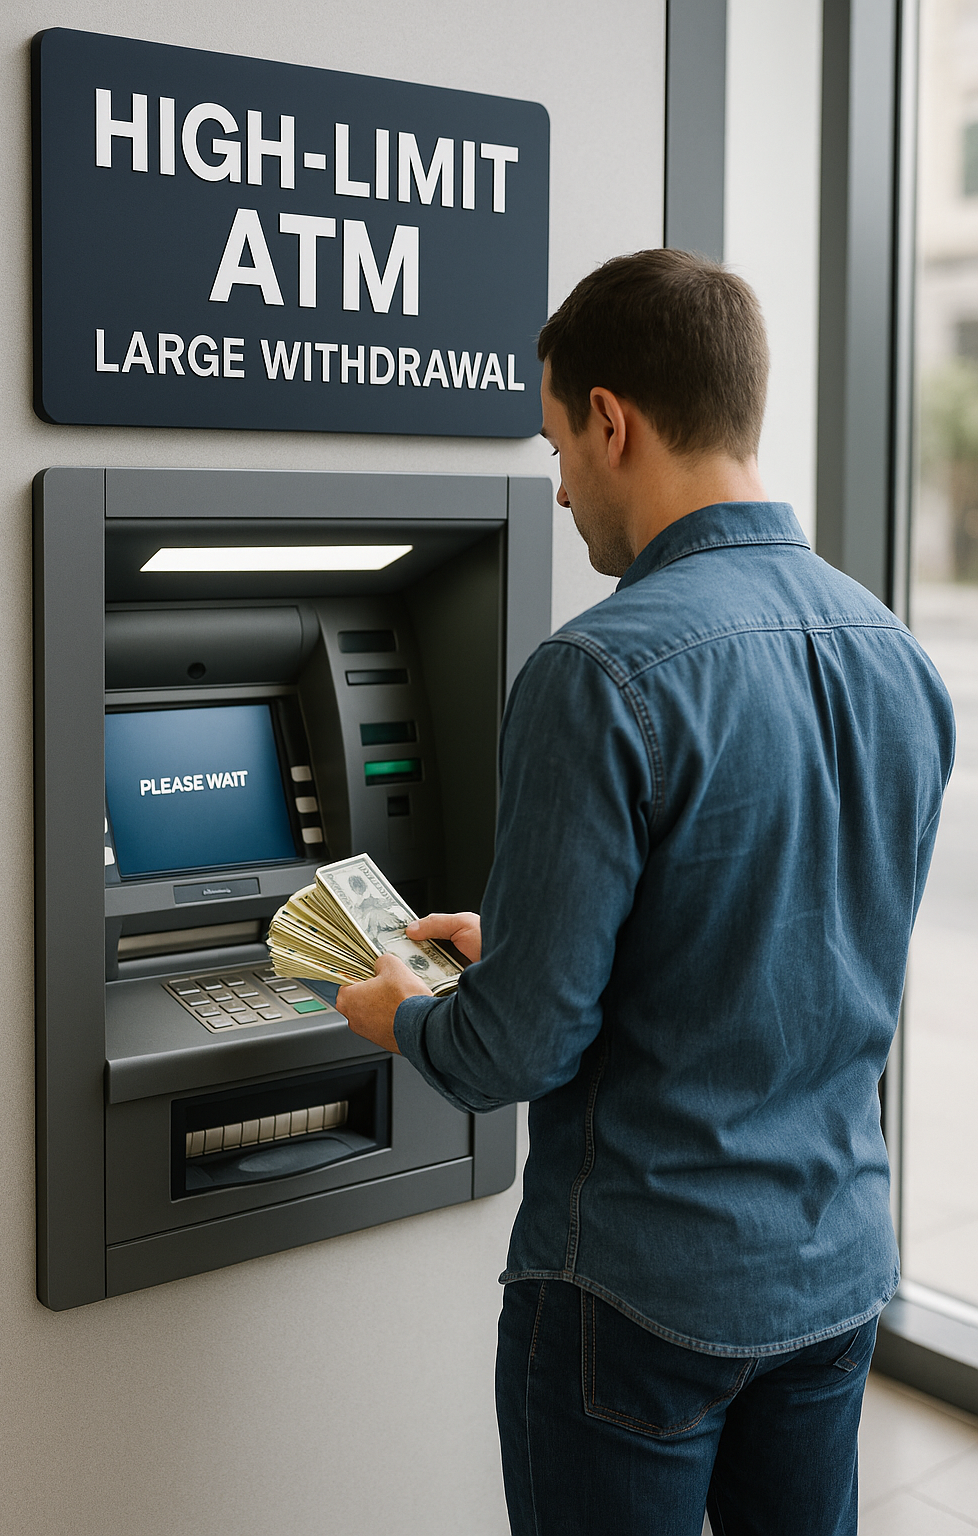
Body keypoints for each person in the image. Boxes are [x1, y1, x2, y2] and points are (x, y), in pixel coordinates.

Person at [335, 249, 955, 1536]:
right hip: (832, 1269)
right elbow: (777, 941)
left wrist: (402, 1010)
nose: (557, 487)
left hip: (636, 1299)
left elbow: (516, 1045)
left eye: (557, 442)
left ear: (611, 421)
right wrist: (540, 937)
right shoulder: (898, 654)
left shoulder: (602, 672)